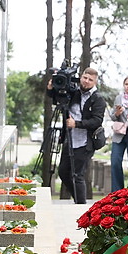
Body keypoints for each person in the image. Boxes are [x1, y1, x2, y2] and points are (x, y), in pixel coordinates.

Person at [46, 67, 106, 204]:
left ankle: (81, 205)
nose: (86, 81)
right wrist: (50, 88)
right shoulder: (74, 93)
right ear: (81, 77)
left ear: (95, 82)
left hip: (85, 143)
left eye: (90, 80)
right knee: (62, 172)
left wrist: (76, 123)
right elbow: (57, 98)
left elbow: (97, 121)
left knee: (77, 175)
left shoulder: (98, 99)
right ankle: (78, 200)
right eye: (85, 78)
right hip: (70, 140)